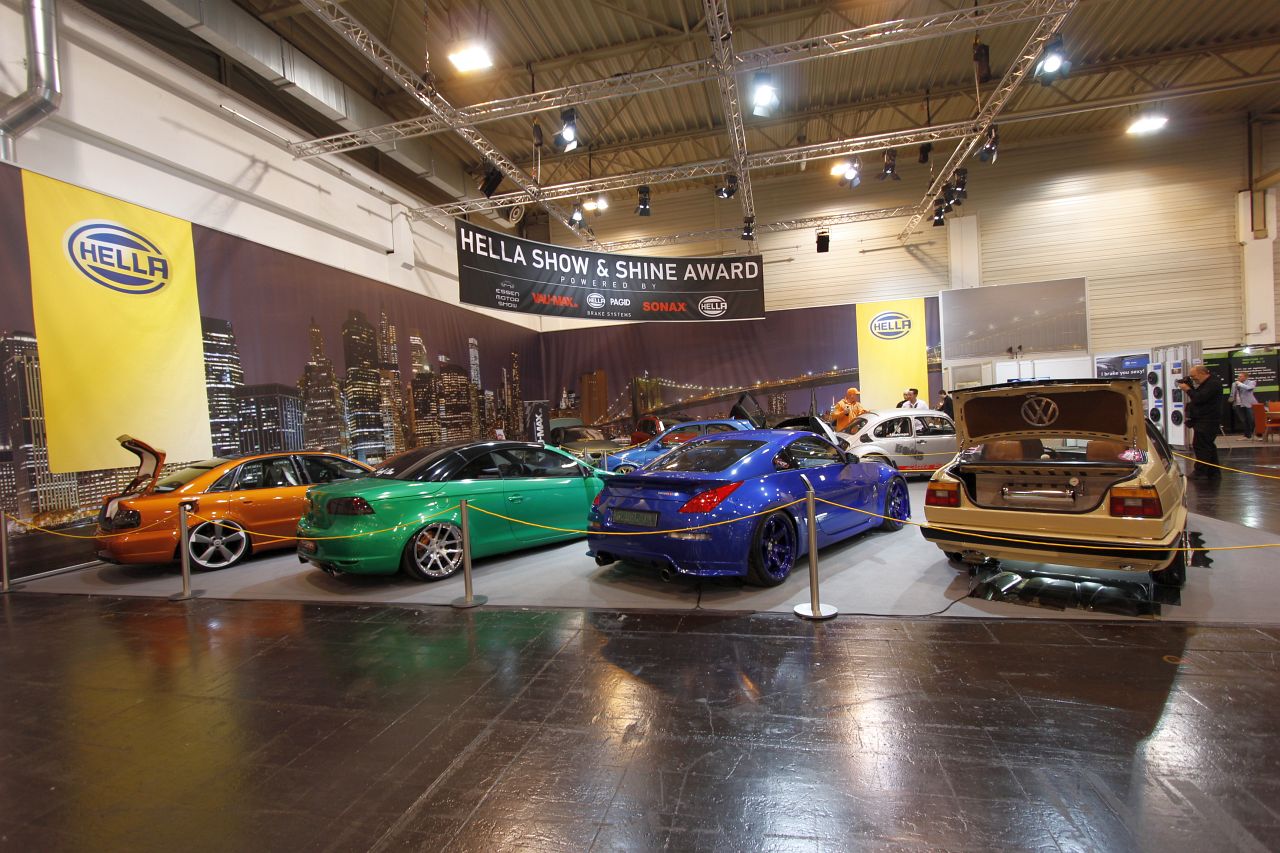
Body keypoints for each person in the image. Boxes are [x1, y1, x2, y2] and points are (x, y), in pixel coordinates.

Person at [1179, 364, 1223, 480]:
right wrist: (1190, 388)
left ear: (1202, 373)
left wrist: (1188, 389)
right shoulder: (1206, 384)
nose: (1193, 379)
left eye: (1194, 376)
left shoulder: (1213, 384)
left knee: (1201, 445)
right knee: (1208, 445)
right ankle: (1213, 472)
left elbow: (1199, 398)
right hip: (1204, 419)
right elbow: (1198, 396)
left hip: (1208, 419)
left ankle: (1200, 472)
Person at [1229, 371, 1259, 439]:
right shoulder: (1234, 384)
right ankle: (1247, 436)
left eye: (1240, 376)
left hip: (1249, 404)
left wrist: (1240, 384)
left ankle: (1258, 435)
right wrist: (1231, 399)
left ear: (1246, 377)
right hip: (1238, 404)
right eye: (1238, 376)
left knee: (1252, 420)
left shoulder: (1251, 382)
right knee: (1244, 420)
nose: (1238, 377)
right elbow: (1232, 393)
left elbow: (1249, 388)